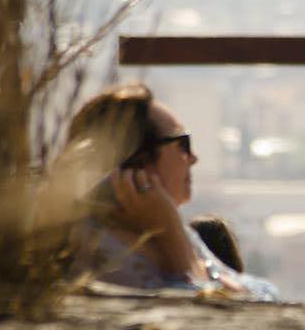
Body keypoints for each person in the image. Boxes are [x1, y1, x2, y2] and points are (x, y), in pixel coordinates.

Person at [63, 82, 277, 300]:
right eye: (182, 144)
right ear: (139, 160)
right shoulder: (97, 249)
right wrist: (175, 242)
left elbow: (266, 292)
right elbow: (211, 313)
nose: (193, 158)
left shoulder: (161, 224)